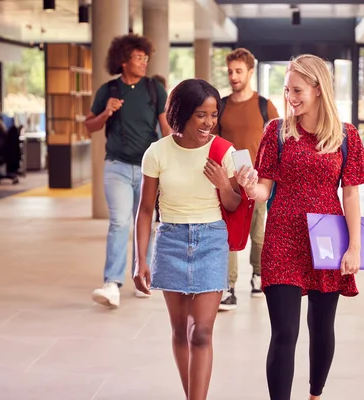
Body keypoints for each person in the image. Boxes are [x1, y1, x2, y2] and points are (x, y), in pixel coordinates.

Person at [236, 54, 364, 400]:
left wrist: (354, 247)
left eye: (297, 89)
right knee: (284, 333)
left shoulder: (346, 136)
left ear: (318, 89)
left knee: (321, 327)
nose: (290, 97)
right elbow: (265, 188)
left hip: (327, 237)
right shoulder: (277, 132)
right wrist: (250, 186)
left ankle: (315, 394)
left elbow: (351, 194)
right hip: (282, 236)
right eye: (286, 89)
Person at [135, 79, 241, 400]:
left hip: (211, 239)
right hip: (171, 240)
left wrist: (224, 184)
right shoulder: (157, 153)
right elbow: (144, 211)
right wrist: (141, 259)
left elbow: (234, 204)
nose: (209, 122)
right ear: (180, 114)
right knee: (180, 332)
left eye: (213, 114)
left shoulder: (224, 152)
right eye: (200, 115)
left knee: (202, 332)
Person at [84, 33, 171, 308]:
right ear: (123, 61)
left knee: (145, 223)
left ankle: (143, 276)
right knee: (120, 222)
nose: (144, 62)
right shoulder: (108, 91)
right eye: (138, 58)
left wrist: (174, 157)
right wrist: (106, 113)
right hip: (117, 166)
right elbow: (90, 126)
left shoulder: (154, 89)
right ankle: (112, 283)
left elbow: (166, 127)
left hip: (149, 170)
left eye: (146, 58)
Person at [216, 48, 279, 311]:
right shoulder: (221, 105)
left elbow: (279, 141)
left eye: (238, 71)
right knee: (228, 235)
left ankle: (258, 275)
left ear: (250, 72)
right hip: (229, 182)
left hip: (257, 182)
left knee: (258, 233)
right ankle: (228, 286)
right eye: (230, 71)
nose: (233, 76)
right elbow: (214, 141)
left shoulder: (264, 105)